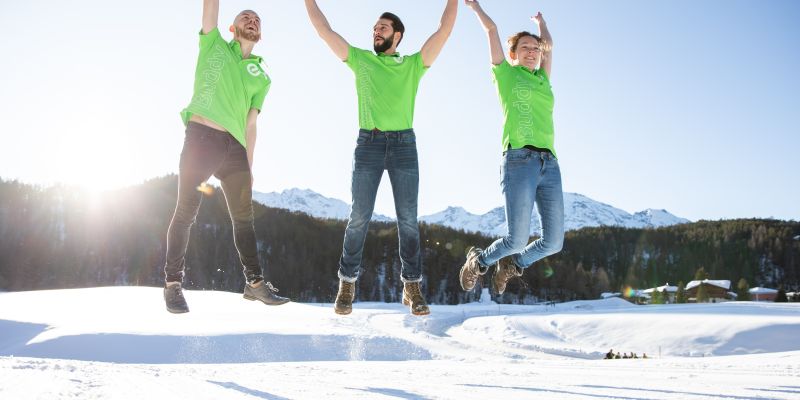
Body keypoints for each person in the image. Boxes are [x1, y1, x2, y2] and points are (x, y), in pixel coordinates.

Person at [304, 0, 458, 316]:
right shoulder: (360, 60)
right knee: (359, 215)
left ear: (397, 35)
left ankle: (411, 285)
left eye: (383, 28)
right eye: (374, 28)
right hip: (369, 144)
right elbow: (324, 30)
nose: (376, 32)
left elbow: (444, 31)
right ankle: (347, 283)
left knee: (408, 220)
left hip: (404, 144)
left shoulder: (413, 65)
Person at [163, 0, 289, 313]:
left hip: (235, 148)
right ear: (233, 28)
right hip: (201, 138)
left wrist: (249, 162)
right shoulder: (214, 43)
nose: (252, 19)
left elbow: (251, 122)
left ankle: (254, 283)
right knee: (186, 210)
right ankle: (173, 284)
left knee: (244, 218)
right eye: (245, 16)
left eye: (257, 19)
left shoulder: (261, 75)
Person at [460, 0, 564, 296]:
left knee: (553, 241)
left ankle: (512, 266)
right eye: (525, 49)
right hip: (519, 160)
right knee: (516, 237)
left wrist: (541, 23)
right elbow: (492, 30)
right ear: (513, 54)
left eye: (536, 49)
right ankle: (478, 261)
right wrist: (476, 7)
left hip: (550, 165)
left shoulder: (543, 78)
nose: (532, 52)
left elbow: (550, 46)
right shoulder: (505, 74)